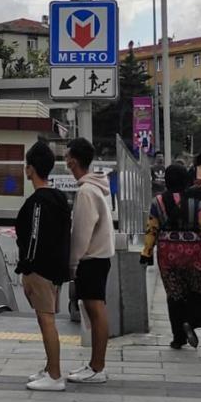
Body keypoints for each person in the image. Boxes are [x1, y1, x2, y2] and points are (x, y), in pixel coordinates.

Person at [15, 142, 73, 392]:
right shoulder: (59, 197)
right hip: (56, 268)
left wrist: (26, 267)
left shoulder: (38, 202)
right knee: (46, 318)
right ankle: (50, 368)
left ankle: (55, 375)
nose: (25, 169)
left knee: (46, 319)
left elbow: (34, 237)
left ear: (31, 169)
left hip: (40, 269)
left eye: (26, 165)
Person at [140, 164, 201, 350]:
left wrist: (147, 252)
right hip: (194, 251)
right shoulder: (197, 202)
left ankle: (178, 337)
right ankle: (191, 319)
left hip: (167, 252)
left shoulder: (158, 201)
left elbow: (152, 228)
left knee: (174, 294)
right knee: (197, 289)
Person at [65, 137, 114, 384]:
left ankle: (97, 366)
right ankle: (96, 364)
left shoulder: (86, 191)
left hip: (91, 257)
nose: (64, 160)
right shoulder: (97, 187)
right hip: (100, 255)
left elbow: (82, 232)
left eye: (66, 156)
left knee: (95, 310)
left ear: (73, 160)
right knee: (95, 309)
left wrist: (73, 261)